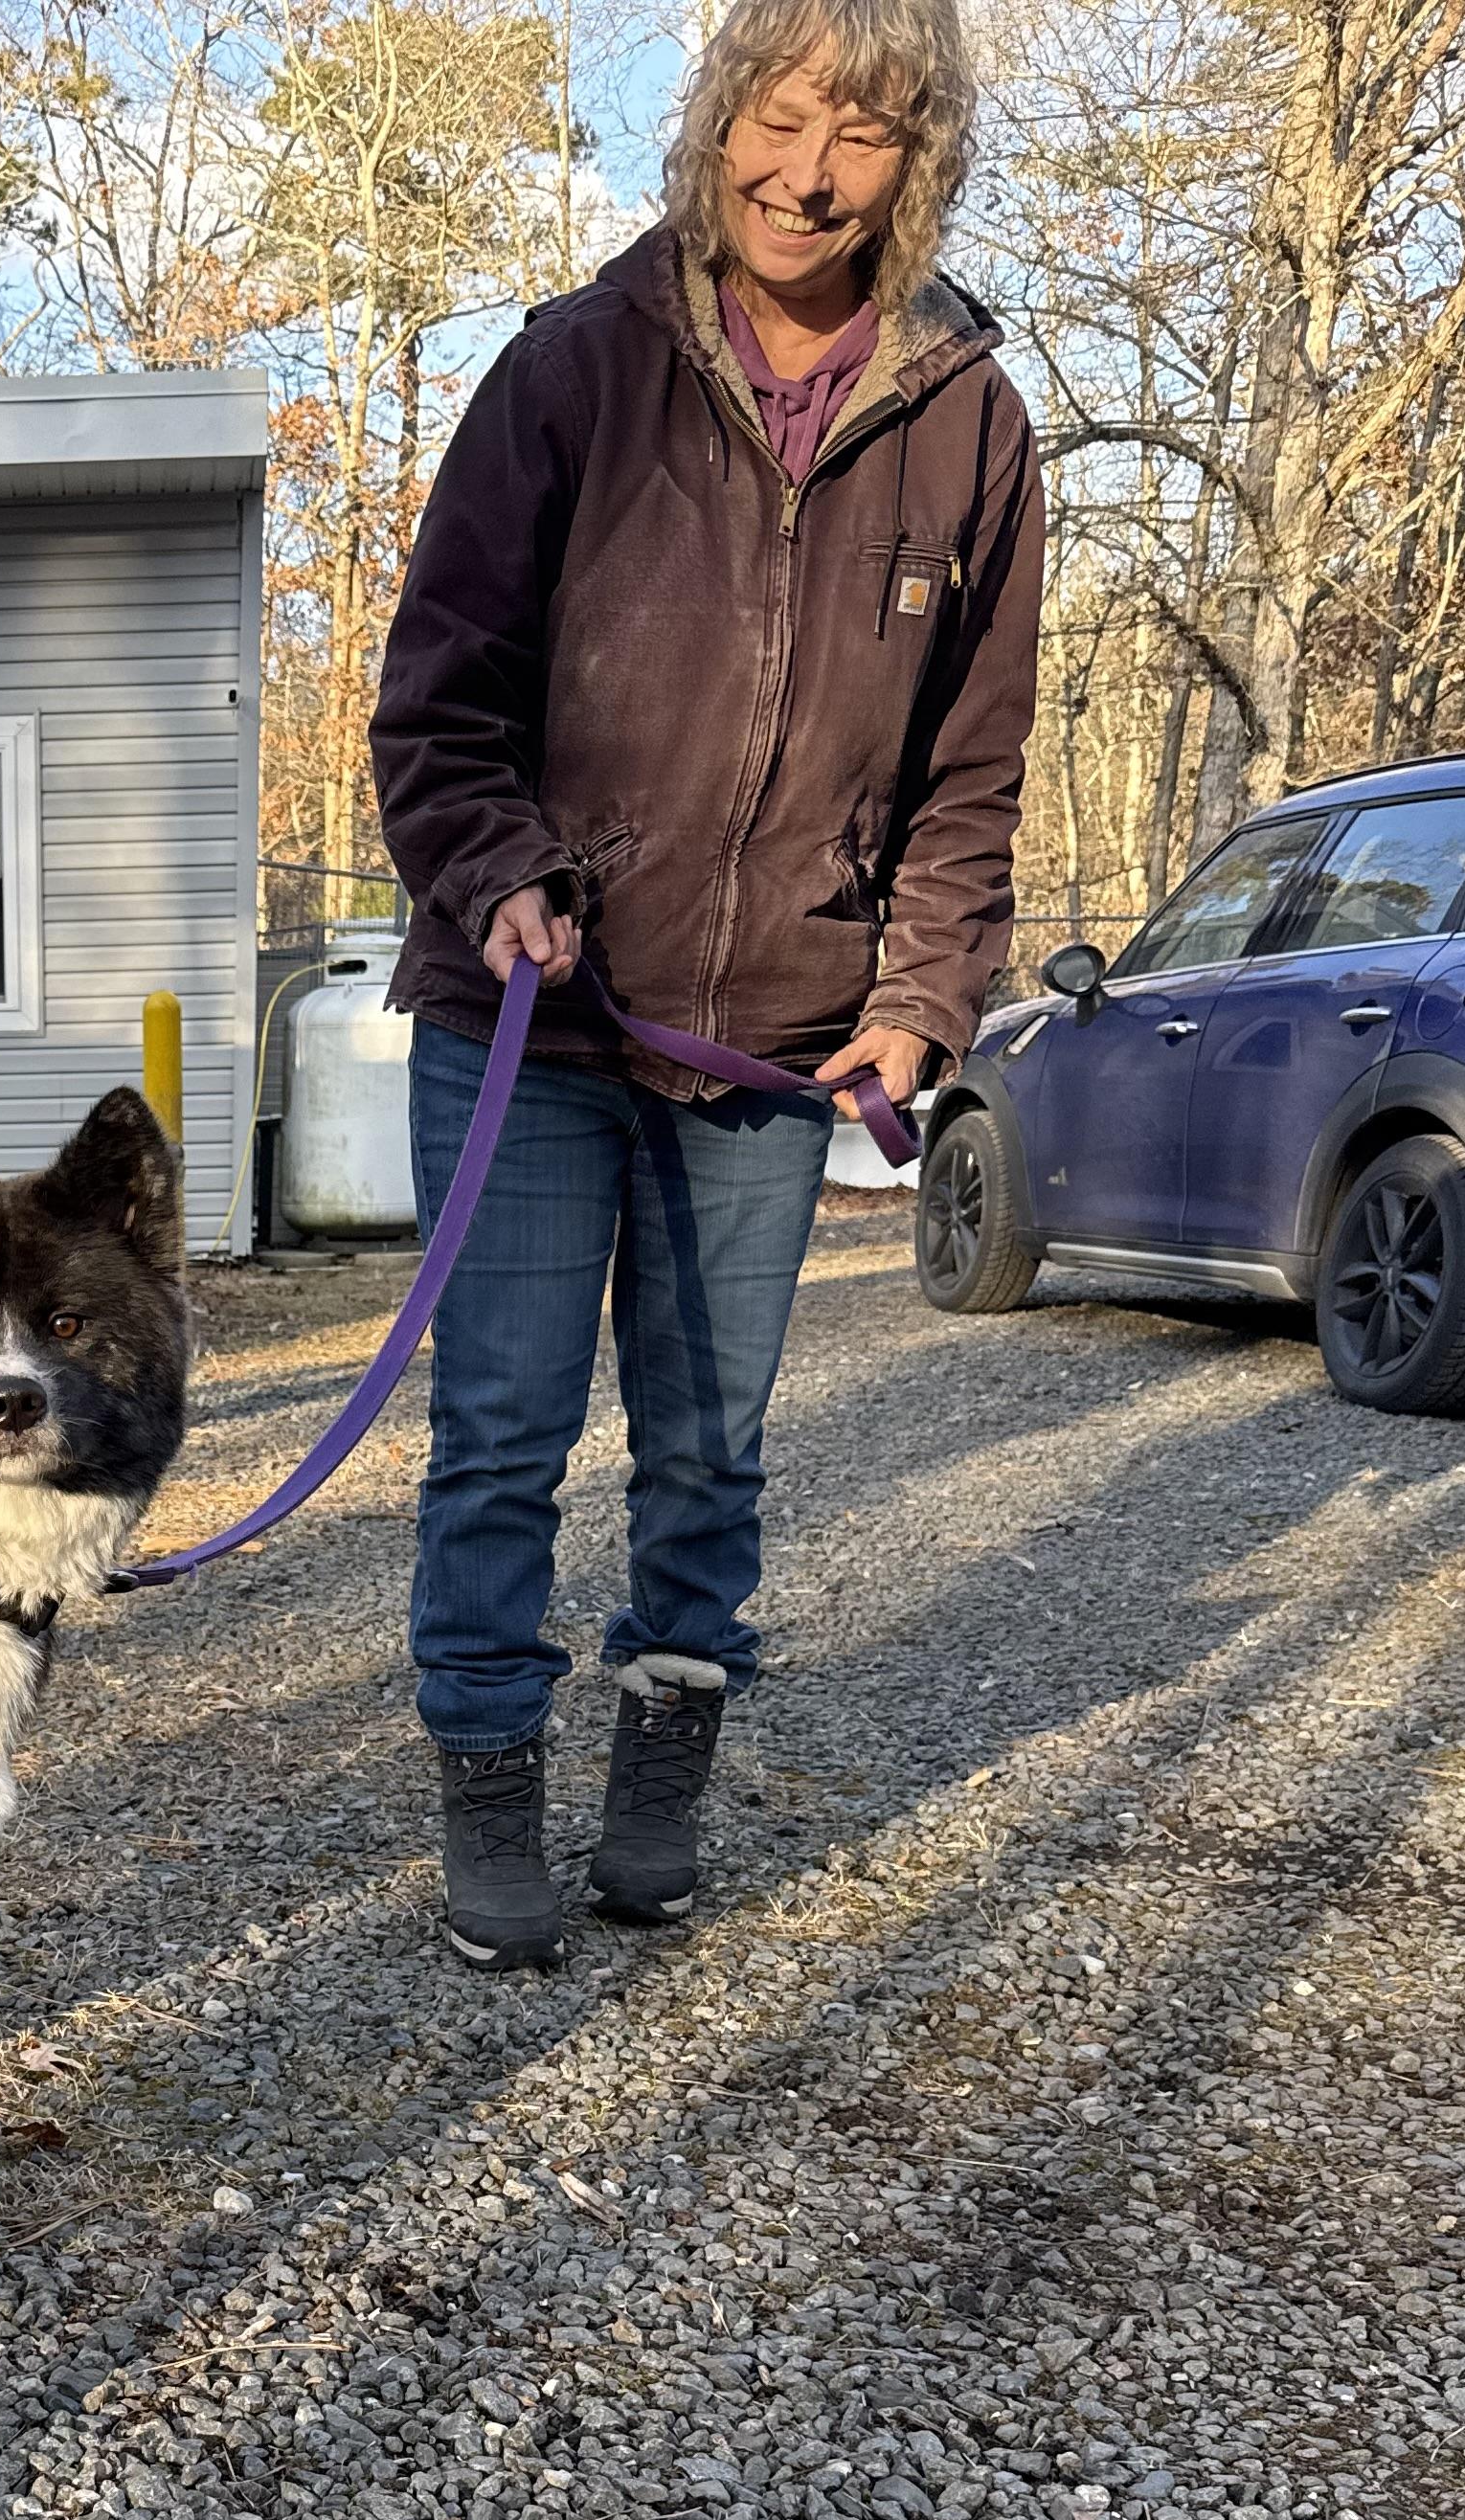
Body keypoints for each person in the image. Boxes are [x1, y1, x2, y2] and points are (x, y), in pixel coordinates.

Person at [369, 0, 1042, 1970]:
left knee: (706, 1443)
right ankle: (487, 1776)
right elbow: (434, 702)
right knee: (496, 1429)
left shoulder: (967, 423)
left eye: (857, 129)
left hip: (768, 1053)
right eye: (776, 111)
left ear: (909, 161)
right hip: (529, 1026)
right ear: (715, 121)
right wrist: (495, 876)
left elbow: (967, 772)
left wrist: (921, 990)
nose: (803, 166)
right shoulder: (575, 370)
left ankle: (656, 1765)